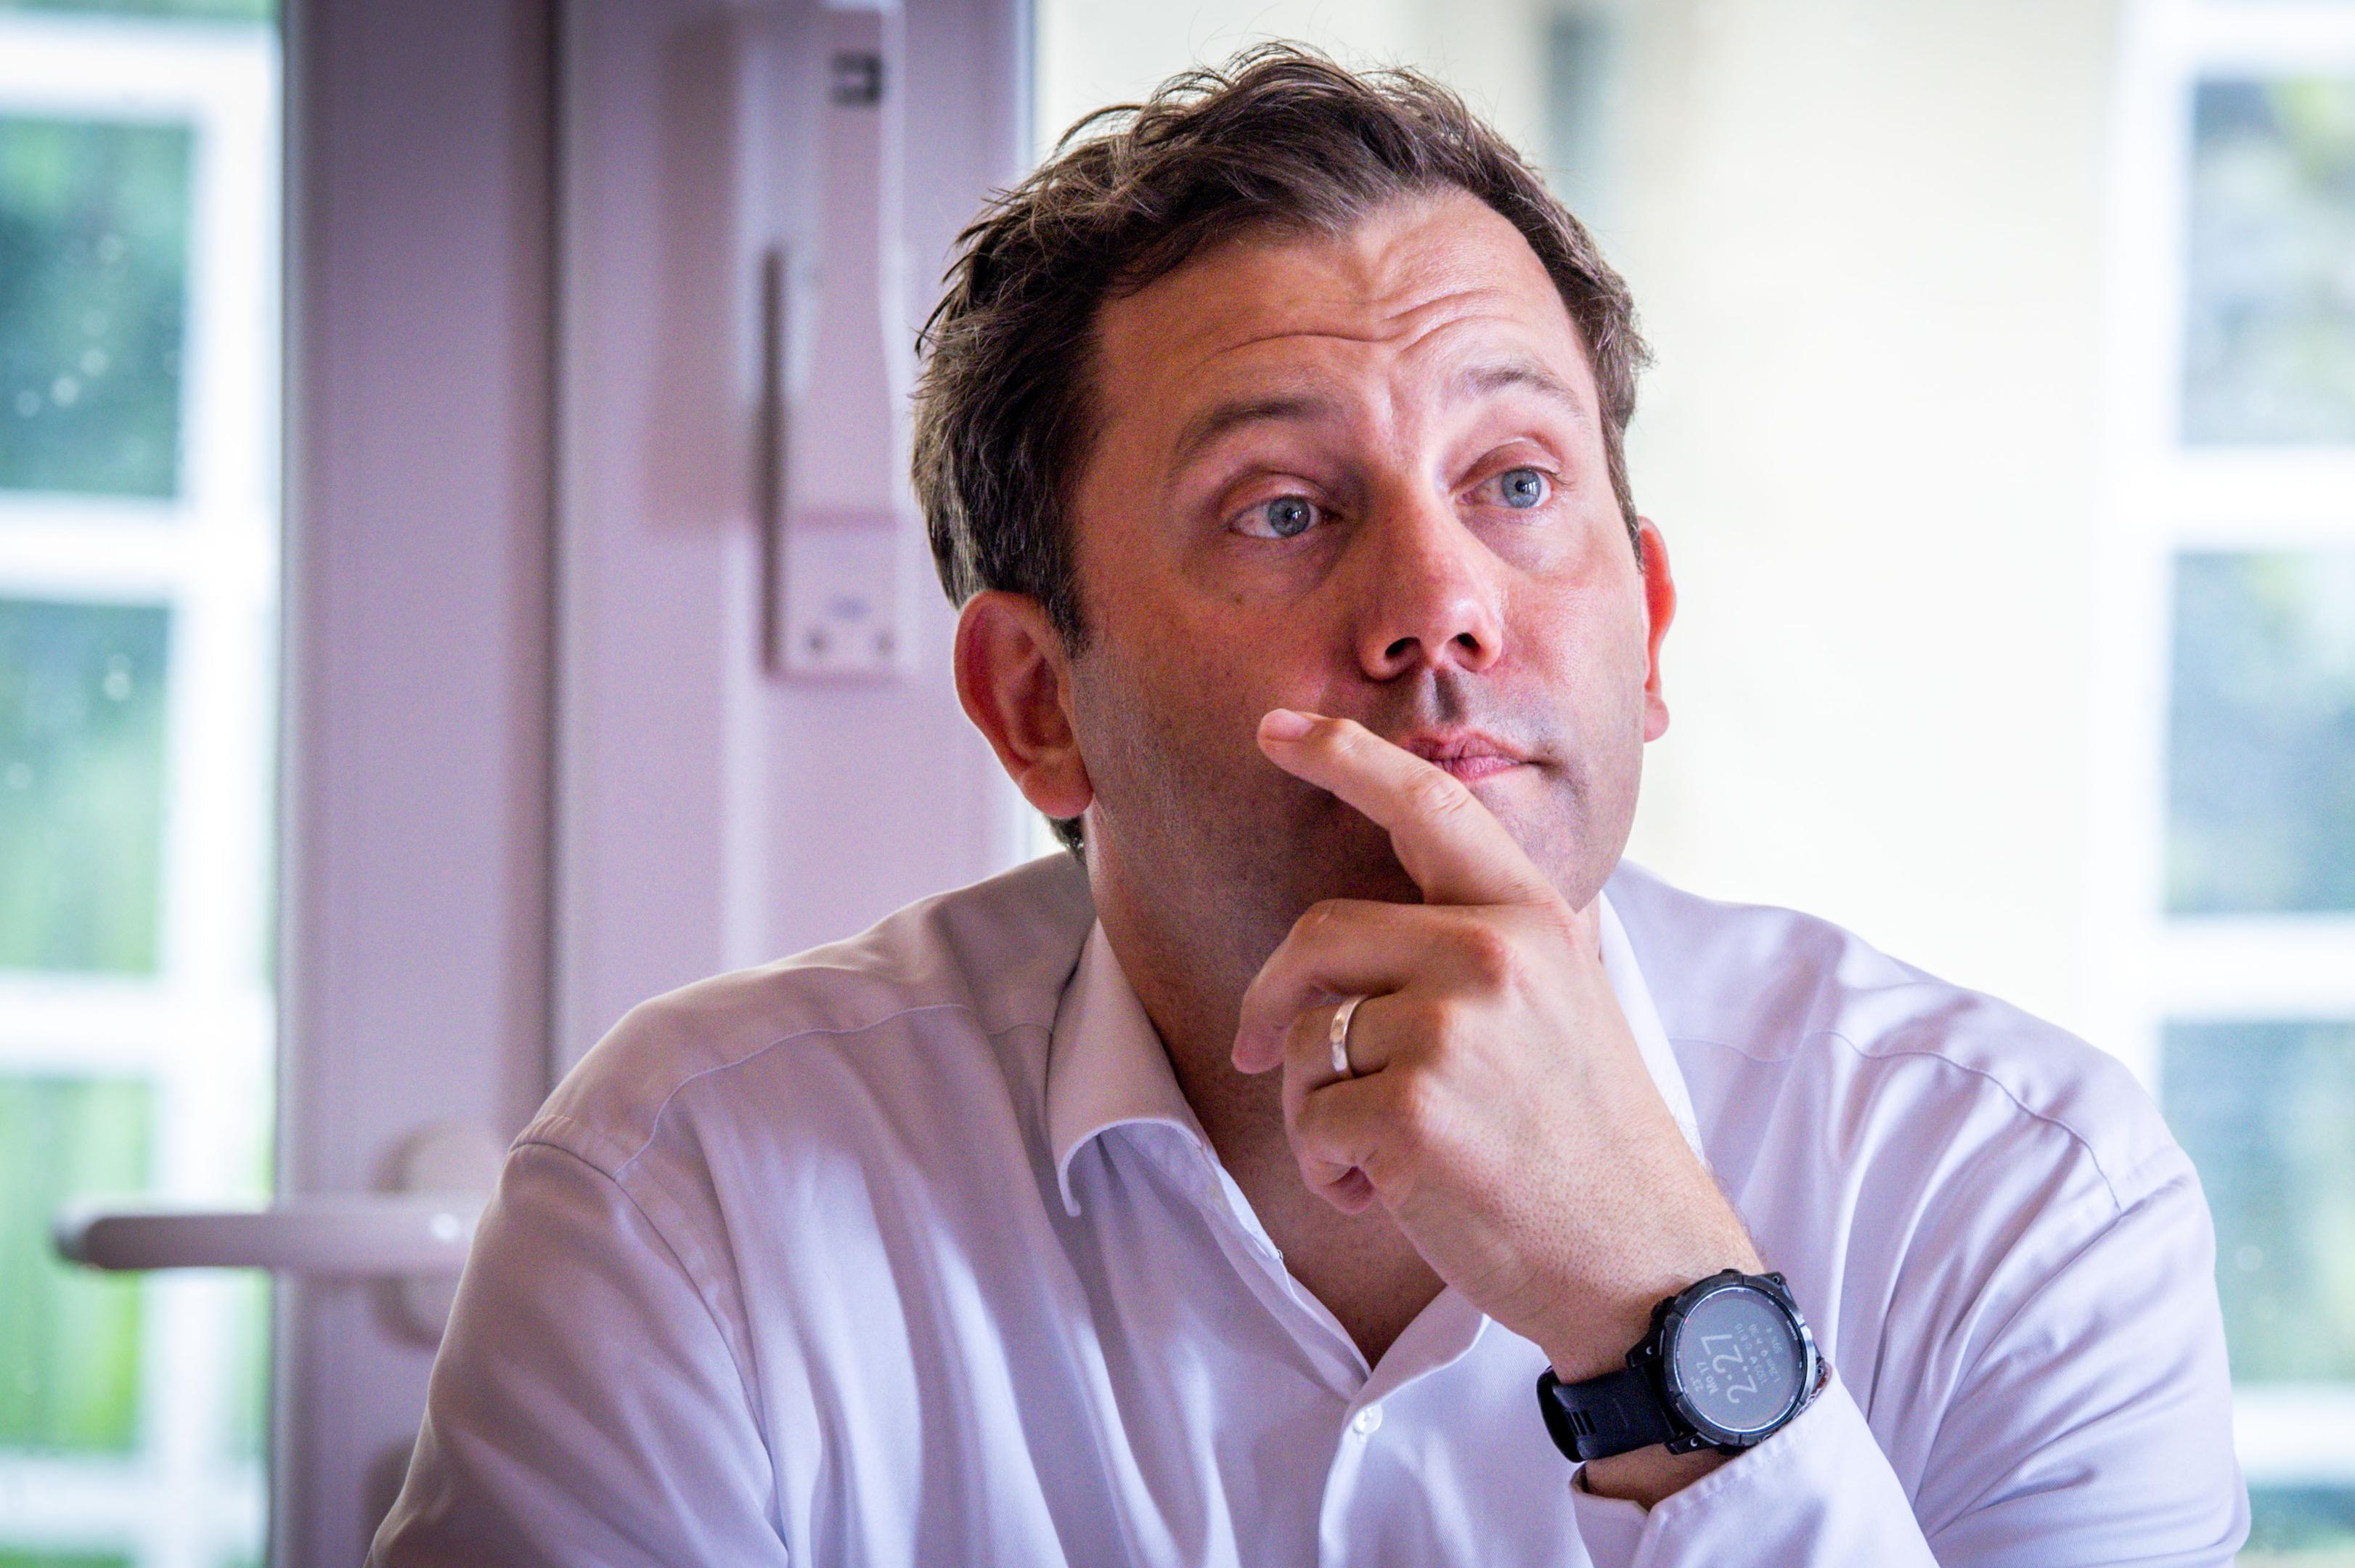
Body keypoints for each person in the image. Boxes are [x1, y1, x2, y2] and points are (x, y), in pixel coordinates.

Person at [372, 45, 2248, 1567]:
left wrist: (1671, 1325)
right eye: (1284, 508)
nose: (1442, 602)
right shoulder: (689, 1196)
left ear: (1650, 628)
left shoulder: (2022, 1197)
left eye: (1519, 482)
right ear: (1038, 704)